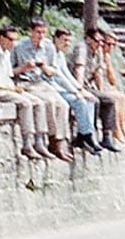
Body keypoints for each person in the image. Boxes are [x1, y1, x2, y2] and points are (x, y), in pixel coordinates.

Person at [0, 25, 52, 161]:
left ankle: (40, 141)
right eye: (10, 39)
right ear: (1, 38)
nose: (13, 43)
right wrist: (11, 89)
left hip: (5, 88)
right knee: (25, 104)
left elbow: (7, 76)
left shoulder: (5, 54)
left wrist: (13, 87)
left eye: (15, 40)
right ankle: (27, 143)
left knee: (38, 102)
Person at [9, 18, 78, 161]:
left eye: (44, 33)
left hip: (43, 82)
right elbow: (9, 71)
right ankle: (43, 142)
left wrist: (46, 67)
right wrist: (24, 67)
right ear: (31, 31)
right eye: (38, 32)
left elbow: (54, 71)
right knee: (47, 103)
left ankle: (58, 143)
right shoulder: (19, 47)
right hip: (26, 82)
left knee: (63, 105)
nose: (40, 36)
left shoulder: (48, 47)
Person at [56, 28, 120, 152]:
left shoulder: (98, 50)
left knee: (109, 101)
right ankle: (90, 134)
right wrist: (80, 91)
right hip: (75, 84)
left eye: (102, 41)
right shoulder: (82, 48)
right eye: (97, 41)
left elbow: (98, 73)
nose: (100, 44)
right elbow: (79, 71)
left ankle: (107, 136)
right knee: (94, 100)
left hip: (87, 85)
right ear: (88, 39)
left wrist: (101, 91)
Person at [93, 27, 125, 148]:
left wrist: (109, 64)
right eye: (108, 44)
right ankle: (116, 130)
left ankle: (122, 128)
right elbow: (97, 75)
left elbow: (112, 79)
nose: (110, 47)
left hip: (105, 85)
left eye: (113, 45)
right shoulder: (98, 54)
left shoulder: (107, 57)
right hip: (95, 85)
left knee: (120, 97)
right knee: (114, 98)